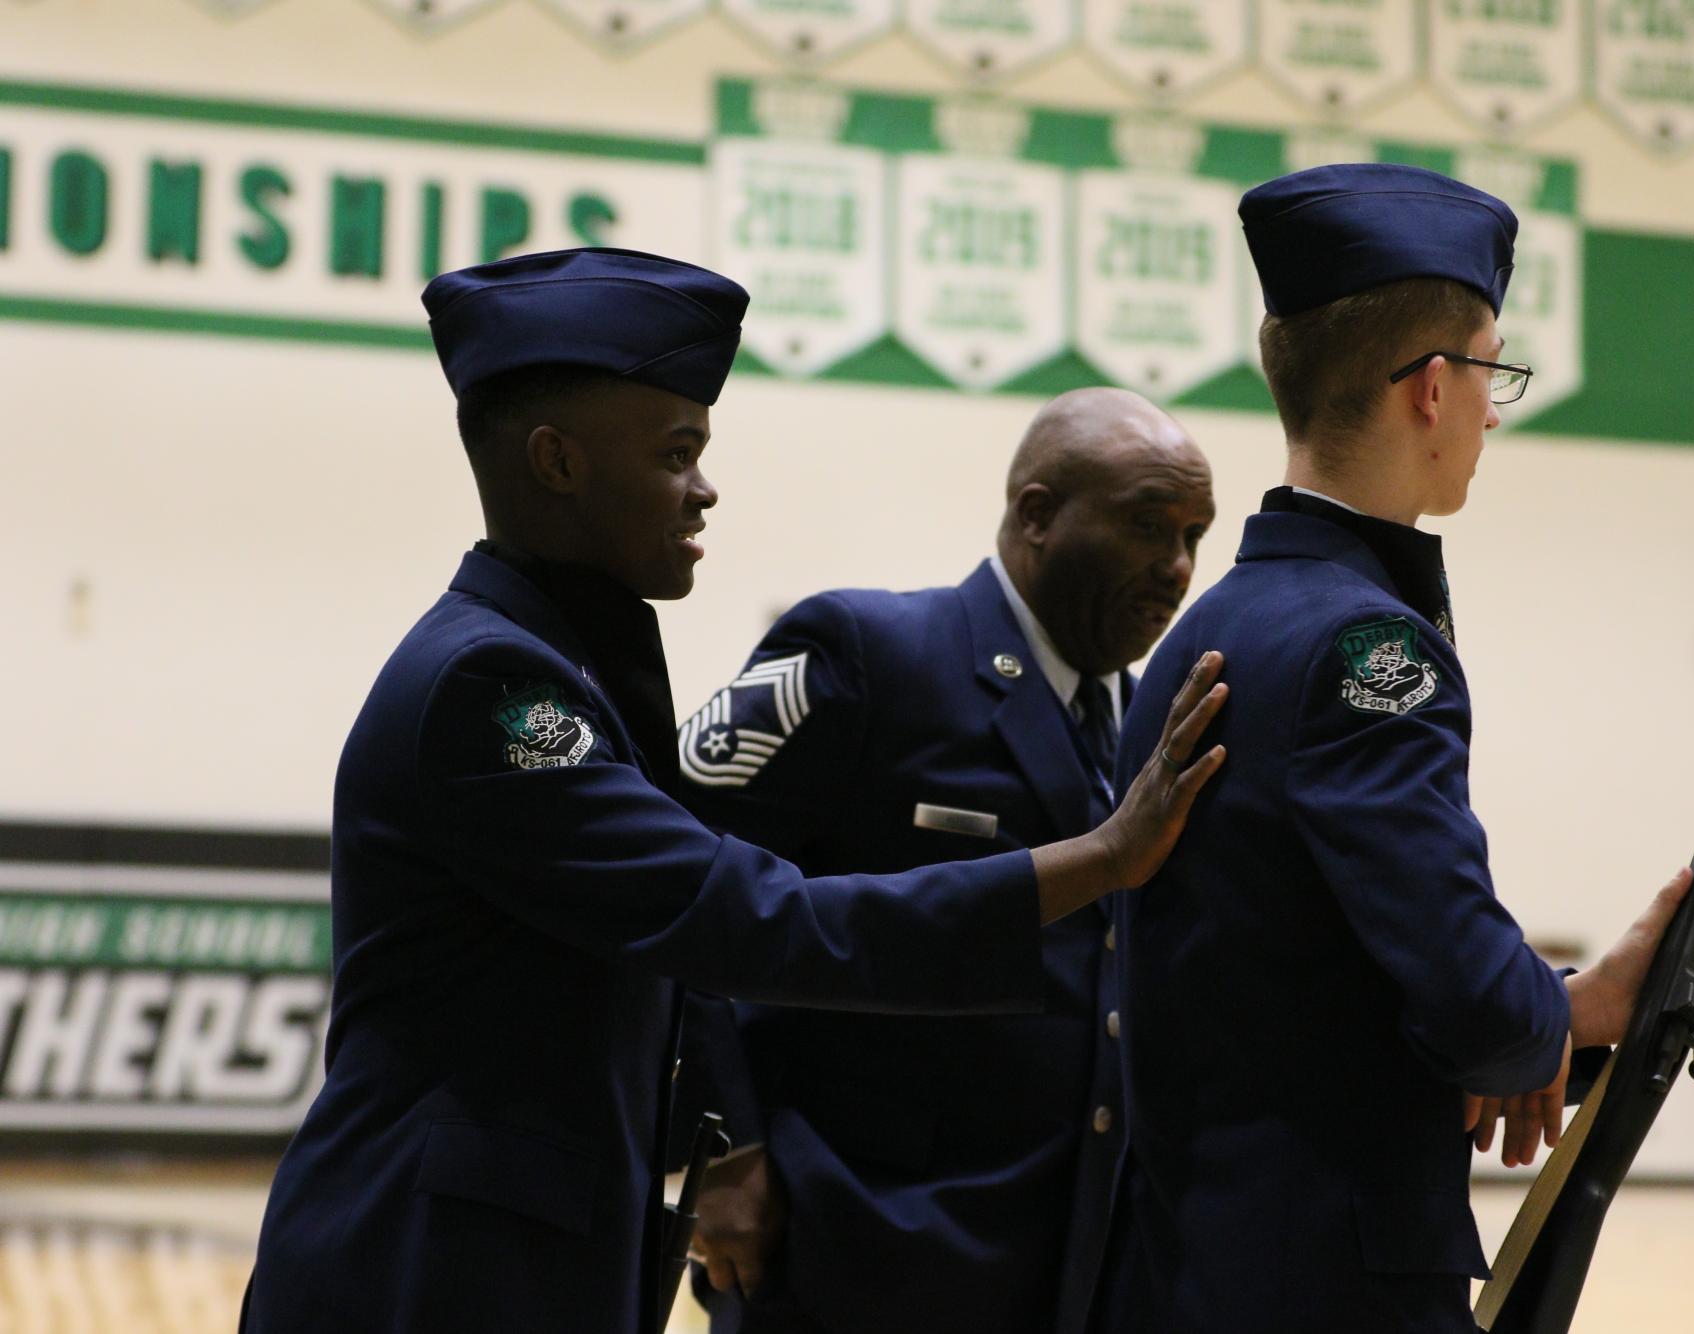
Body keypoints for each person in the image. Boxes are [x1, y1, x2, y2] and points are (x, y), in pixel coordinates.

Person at [237, 248, 1229, 1334]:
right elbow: (751, 917)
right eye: (676, 454)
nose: (705, 488)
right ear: (558, 461)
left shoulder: (560, 665)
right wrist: (1101, 857)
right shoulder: (496, 691)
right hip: (426, 1270)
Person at [1093, 165, 1694, 1332]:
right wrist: (1579, 1008)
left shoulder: (1218, 625)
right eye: (1490, 372)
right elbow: (1463, 991)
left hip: (1200, 1258)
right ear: (1433, 389)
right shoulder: (1368, 648)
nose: (1496, 409)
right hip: (1323, 1280)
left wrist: (1520, 1009)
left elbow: (1318, 963)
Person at [673, 387, 1215, 1334]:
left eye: (1193, 536)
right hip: (856, 1242)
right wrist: (723, 1149)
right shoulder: (870, 653)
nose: (1175, 568)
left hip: (1070, 1256)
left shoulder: (1147, 724)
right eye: (1144, 526)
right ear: (1037, 515)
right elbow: (677, 894)